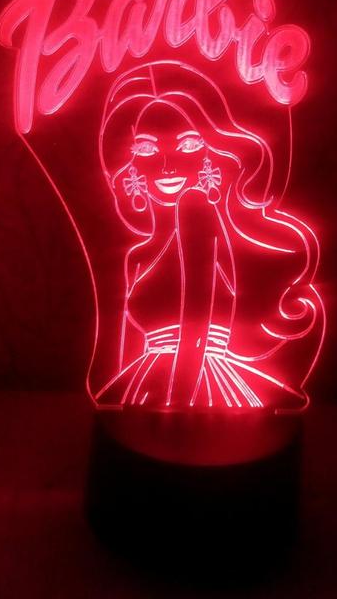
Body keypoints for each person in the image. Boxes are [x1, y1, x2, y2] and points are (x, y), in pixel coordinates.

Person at [94, 60, 324, 411]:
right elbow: (124, 351)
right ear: (130, 163)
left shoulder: (197, 211)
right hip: (146, 384)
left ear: (212, 153)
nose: (167, 165)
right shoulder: (136, 256)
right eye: (146, 149)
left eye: (188, 145)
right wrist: (120, 398)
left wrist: (175, 403)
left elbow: (195, 326)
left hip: (195, 385)